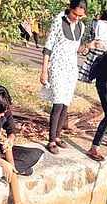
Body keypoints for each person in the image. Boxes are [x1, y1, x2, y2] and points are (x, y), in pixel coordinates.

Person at [40, 0, 92, 155]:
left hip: (71, 68)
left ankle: (57, 136)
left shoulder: (81, 27)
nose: (77, 18)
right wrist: (44, 70)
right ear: (69, 8)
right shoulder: (58, 22)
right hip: (56, 66)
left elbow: (76, 49)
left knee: (65, 105)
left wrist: (88, 47)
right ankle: (50, 140)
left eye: (81, 16)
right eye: (75, 14)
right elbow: (48, 47)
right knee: (57, 103)